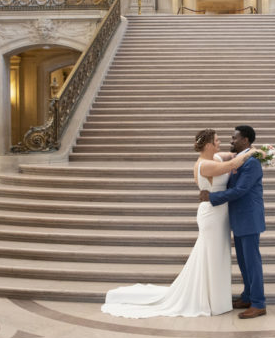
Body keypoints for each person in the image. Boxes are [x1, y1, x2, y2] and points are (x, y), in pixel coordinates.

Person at [101, 129, 256, 318]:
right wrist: (254, 152)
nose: (220, 142)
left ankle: (215, 297)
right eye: (217, 140)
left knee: (217, 256)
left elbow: (231, 155)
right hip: (212, 215)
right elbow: (232, 163)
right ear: (208, 145)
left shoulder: (214, 157)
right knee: (212, 256)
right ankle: (211, 300)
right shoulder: (205, 164)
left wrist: (253, 150)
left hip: (220, 215)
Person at [199, 125, 266, 319]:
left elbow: (240, 190)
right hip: (238, 217)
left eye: (234, 138)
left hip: (249, 218)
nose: (231, 141)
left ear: (245, 140)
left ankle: (259, 303)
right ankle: (247, 296)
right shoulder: (242, 159)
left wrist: (211, 198)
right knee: (244, 262)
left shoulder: (252, 162)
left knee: (252, 262)